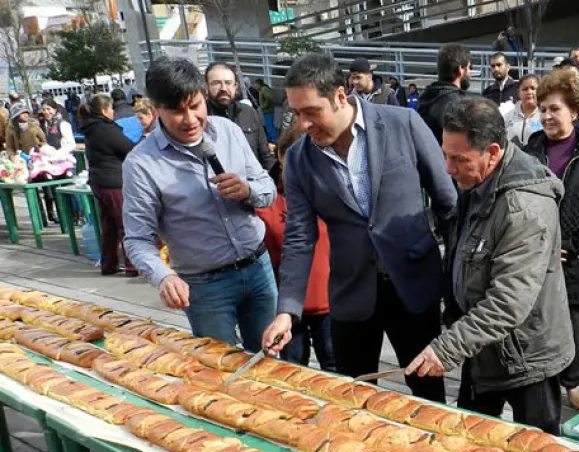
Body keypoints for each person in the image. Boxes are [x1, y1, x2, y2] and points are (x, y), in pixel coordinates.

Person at [261, 53, 457, 403]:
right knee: (354, 397)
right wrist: (287, 310)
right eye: (296, 113)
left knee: (427, 394)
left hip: (413, 286)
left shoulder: (403, 124)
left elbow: (448, 203)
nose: (303, 124)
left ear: (340, 96)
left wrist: (456, 279)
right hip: (351, 292)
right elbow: (299, 238)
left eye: (311, 112)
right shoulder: (300, 160)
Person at [406, 97, 573, 434]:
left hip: (527, 358)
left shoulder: (523, 205)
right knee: (469, 443)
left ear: (493, 152)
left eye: (458, 159)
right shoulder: (479, 180)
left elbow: (508, 302)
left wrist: (445, 349)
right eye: (445, 155)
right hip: (483, 349)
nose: (448, 169)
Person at [123, 57, 277, 351]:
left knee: (270, 363)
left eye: (195, 106)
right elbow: (137, 239)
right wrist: (164, 276)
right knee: (218, 369)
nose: (190, 120)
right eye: (177, 112)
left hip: (258, 268)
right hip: (205, 285)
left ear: (204, 96)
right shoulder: (141, 163)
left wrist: (247, 190)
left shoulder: (229, 132)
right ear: (156, 111)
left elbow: (267, 188)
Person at [524, 70, 579, 411]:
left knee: (573, 323)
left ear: (574, 111)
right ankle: (542, 381)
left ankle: (572, 381)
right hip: (536, 254)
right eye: (543, 109)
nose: (547, 115)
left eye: (555, 109)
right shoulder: (529, 151)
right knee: (537, 322)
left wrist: (573, 244)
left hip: (575, 257)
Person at [258, 125, 335, 372]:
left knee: (334, 366)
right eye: (292, 159)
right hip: (288, 305)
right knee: (292, 368)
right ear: (280, 157)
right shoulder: (266, 201)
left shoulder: (329, 192)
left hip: (330, 300)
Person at [79, 93, 136, 276]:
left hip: (98, 181)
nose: (113, 112)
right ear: (104, 110)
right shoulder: (106, 129)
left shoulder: (91, 128)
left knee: (109, 226)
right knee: (124, 224)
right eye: (111, 108)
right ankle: (132, 266)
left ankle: (109, 264)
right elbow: (129, 149)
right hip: (112, 181)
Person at [205, 62, 274, 171]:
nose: (223, 88)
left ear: (235, 87)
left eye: (228, 83)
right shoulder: (201, 118)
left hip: (251, 184)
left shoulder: (249, 113)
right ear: (206, 87)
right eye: (216, 83)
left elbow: (265, 155)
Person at [418, 43, 471, 144]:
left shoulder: (426, 96)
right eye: (468, 67)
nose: (470, 72)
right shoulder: (459, 103)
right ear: (460, 70)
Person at [39, 97, 76, 223]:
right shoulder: (44, 124)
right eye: (44, 109)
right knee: (55, 191)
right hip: (51, 164)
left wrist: (58, 154)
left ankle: (74, 215)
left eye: (48, 109)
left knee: (68, 190)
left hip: (64, 161)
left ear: (54, 109)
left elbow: (71, 144)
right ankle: (62, 216)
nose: (46, 112)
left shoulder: (63, 124)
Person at [502, 74, 542, 145]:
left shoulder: (544, 115)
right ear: (519, 93)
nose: (529, 92)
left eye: (533, 88)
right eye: (525, 89)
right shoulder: (507, 116)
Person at [255, 78, 277, 143]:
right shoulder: (262, 90)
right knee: (268, 125)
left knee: (269, 125)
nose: (255, 86)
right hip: (266, 111)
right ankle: (271, 139)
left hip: (268, 111)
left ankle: (274, 139)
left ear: (259, 84)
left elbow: (269, 98)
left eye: (255, 84)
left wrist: (264, 106)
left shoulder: (264, 89)